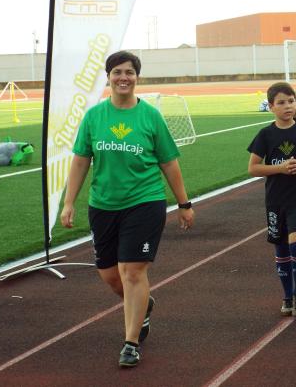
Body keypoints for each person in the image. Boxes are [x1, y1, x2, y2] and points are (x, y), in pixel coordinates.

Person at [60, 51, 195, 368]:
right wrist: (69, 202)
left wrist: (184, 203)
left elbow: (168, 163)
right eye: (118, 71)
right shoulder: (94, 117)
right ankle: (143, 305)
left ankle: (131, 342)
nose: (124, 77)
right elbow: (81, 160)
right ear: (108, 77)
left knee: (133, 271)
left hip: (144, 202)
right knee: (110, 275)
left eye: (130, 72)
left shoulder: (150, 116)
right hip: (103, 204)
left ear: (137, 77)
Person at [247, 82, 296, 318]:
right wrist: (280, 168)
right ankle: (287, 295)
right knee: (281, 250)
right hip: (275, 199)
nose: (287, 106)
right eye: (281, 103)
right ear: (271, 107)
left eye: (291, 101)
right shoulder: (265, 135)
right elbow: (253, 168)